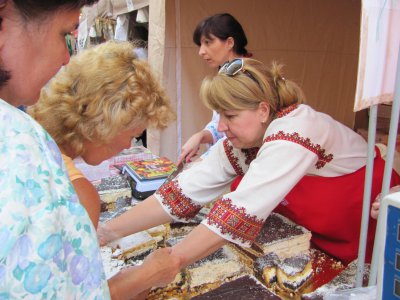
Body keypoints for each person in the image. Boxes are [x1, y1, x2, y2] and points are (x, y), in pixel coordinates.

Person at [98, 58, 400, 267]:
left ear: (263, 110)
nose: (222, 127)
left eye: (229, 116)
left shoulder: (296, 129)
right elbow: (183, 191)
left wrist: (169, 263)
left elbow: (236, 213)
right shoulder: (245, 136)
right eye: (220, 116)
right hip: (318, 218)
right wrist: (108, 232)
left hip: (359, 210)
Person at [0, 1, 180, 299]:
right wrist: (146, 275)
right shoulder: (76, 192)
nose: (128, 146)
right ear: (106, 122)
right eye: (64, 35)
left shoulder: (33, 142)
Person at [28, 40, 175, 230]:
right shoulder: (79, 197)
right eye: (131, 136)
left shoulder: (31, 138)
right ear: (105, 124)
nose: (129, 147)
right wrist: (155, 262)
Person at [177, 13, 251, 165]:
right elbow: (220, 124)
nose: (201, 51)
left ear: (229, 42)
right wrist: (201, 136)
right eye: (200, 45)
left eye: (208, 43)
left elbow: (240, 136)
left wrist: (204, 161)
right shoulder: (226, 72)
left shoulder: (247, 78)